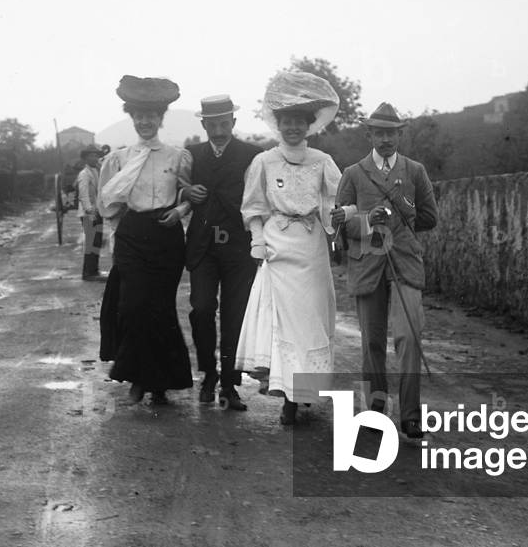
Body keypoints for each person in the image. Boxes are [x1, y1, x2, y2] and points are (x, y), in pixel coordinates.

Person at [234, 70, 348, 425]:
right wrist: (257, 240)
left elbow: (337, 200)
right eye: (286, 121)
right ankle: (288, 398)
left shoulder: (322, 161)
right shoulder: (264, 161)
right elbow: (253, 205)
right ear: (277, 124)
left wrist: (339, 227)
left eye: (299, 122)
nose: (293, 128)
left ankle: (306, 390)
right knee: (283, 324)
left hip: (311, 247)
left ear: (309, 125)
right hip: (278, 248)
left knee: (309, 319)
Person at [335, 102, 439, 439]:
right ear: (369, 134)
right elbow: (340, 226)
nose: (385, 139)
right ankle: (376, 410)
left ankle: (410, 415)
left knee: (409, 335)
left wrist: (401, 215)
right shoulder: (352, 173)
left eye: (391, 133)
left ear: (400, 134)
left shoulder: (414, 171)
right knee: (372, 342)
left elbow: (429, 217)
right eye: (378, 133)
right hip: (368, 265)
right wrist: (368, 221)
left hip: (405, 260)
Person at [97, 76, 194, 405]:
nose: (145, 121)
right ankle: (136, 376)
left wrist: (180, 210)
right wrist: (117, 233)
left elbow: (189, 194)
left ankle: (160, 385)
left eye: (152, 115)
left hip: (166, 236)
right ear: (132, 117)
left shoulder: (177, 156)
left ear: (161, 118)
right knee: (133, 307)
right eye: (139, 115)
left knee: (160, 310)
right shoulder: (119, 159)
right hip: (133, 235)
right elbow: (108, 202)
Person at [181, 95, 263, 411]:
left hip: (239, 247)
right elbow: (176, 187)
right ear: (203, 124)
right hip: (202, 245)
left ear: (233, 123)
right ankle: (209, 375)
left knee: (235, 316)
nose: (218, 130)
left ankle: (229, 384)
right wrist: (186, 191)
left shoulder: (253, 156)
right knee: (201, 309)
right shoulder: (192, 155)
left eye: (223, 123)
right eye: (212, 124)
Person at [76, 146, 106, 282]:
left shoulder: (96, 171)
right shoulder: (84, 174)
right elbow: (83, 195)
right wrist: (90, 212)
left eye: (96, 156)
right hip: (90, 213)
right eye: (91, 156)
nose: (95, 158)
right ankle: (89, 273)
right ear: (86, 158)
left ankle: (93, 270)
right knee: (92, 242)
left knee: (96, 241)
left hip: (96, 211)